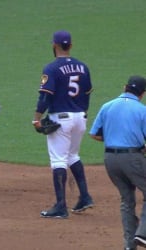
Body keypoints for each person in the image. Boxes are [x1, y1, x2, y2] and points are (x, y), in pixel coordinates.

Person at [32, 30, 94, 219]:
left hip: (61, 119)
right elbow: (87, 93)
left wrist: (36, 118)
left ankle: (60, 206)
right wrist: (82, 114)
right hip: (80, 117)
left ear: (54, 45)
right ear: (71, 45)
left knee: (59, 160)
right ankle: (84, 197)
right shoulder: (83, 67)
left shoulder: (51, 68)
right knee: (73, 155)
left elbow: (45, 96)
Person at [89, 76, 146, 250]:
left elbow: (95, 134)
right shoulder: (142, 110)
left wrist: (116, 139)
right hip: (132, 158)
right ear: (142, 94)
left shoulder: (107, 106)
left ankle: (129, 245)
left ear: (124, 87)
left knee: (127, 199)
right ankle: (142, 233)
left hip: (110, 160)